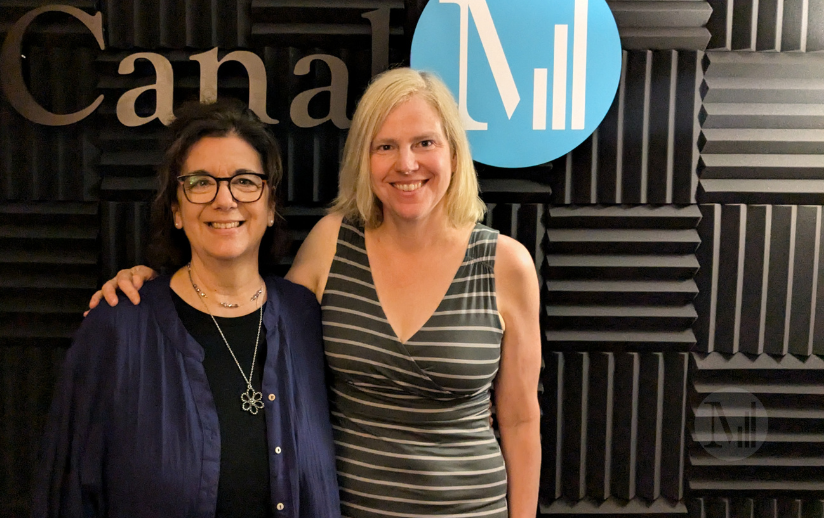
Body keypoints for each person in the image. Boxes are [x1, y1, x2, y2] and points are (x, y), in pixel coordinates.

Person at [88, 68, 542, 518]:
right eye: (384, 146)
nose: (406, 164)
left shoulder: (506, 265)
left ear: (455, 154)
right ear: (364, 160)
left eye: (425, 142)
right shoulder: (332, 243)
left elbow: (520, 421)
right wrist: (153, 286)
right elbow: (254, 320)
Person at [33, 100, 341, 518]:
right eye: (200, 183)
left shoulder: (305, 317)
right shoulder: (118, 326)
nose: (224, 199)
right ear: (176, 209)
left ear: (270, 207)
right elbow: (66, 492)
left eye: (245, 181)